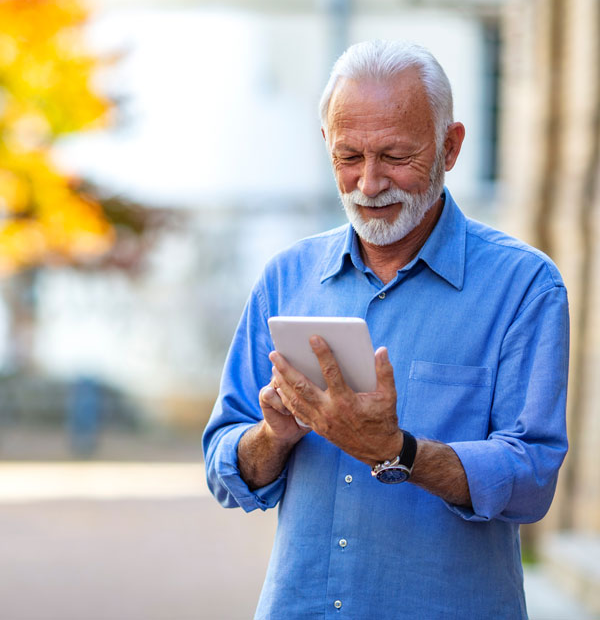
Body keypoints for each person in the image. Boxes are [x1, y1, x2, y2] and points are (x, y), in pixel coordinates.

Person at [202, 40, 569, 619]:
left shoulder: (524, 286)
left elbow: (532, 480)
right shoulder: (287, 276)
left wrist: (398, 452)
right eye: (349, 157)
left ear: (451, 147)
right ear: (326, 144)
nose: (369, 184)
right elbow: (224, 468)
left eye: (396, 156)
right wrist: (274, 437)